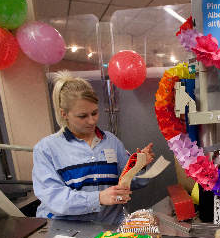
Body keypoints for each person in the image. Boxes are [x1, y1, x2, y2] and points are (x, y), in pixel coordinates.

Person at [32, 71, 155, 225]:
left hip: (110, 226)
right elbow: (54, 198)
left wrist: (140, 166)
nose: (91, 121)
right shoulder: (46, 149)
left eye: (95, 113)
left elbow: (130, 182)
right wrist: (97, 198)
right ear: (64, 114)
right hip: (67, 231)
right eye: (83, 116)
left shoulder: (111, 141)